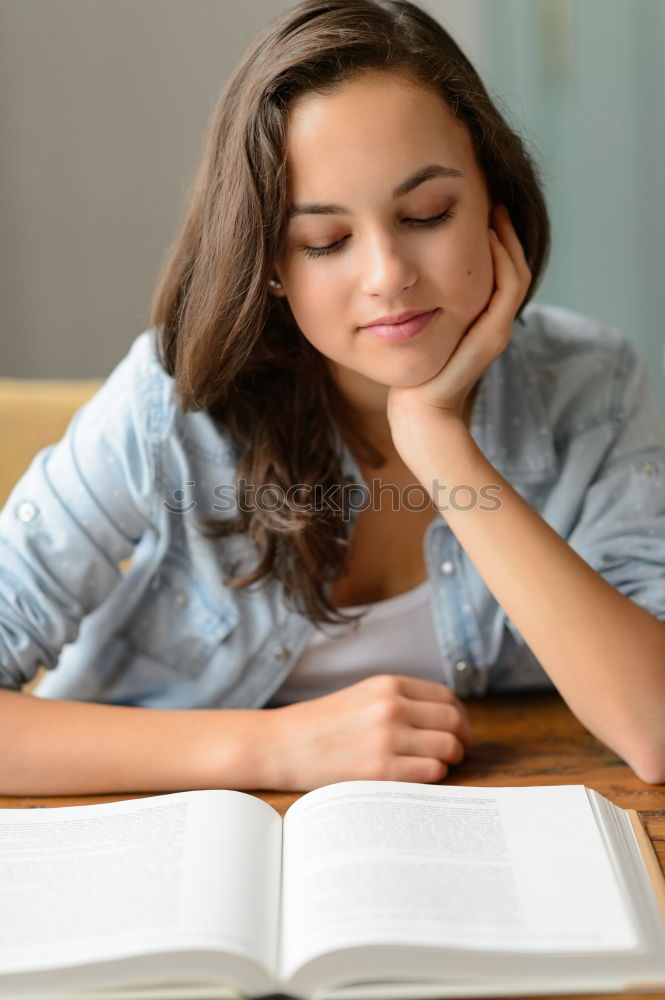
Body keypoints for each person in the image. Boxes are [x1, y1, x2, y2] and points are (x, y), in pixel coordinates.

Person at [1, 0, 664, 797]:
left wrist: (436, 435)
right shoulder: (167, 407)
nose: (386, 274)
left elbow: (654, 730)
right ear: (271, 264)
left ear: (495, 202)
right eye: (325, 242)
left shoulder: (591, 386)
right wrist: (273, 749)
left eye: (426, 214)